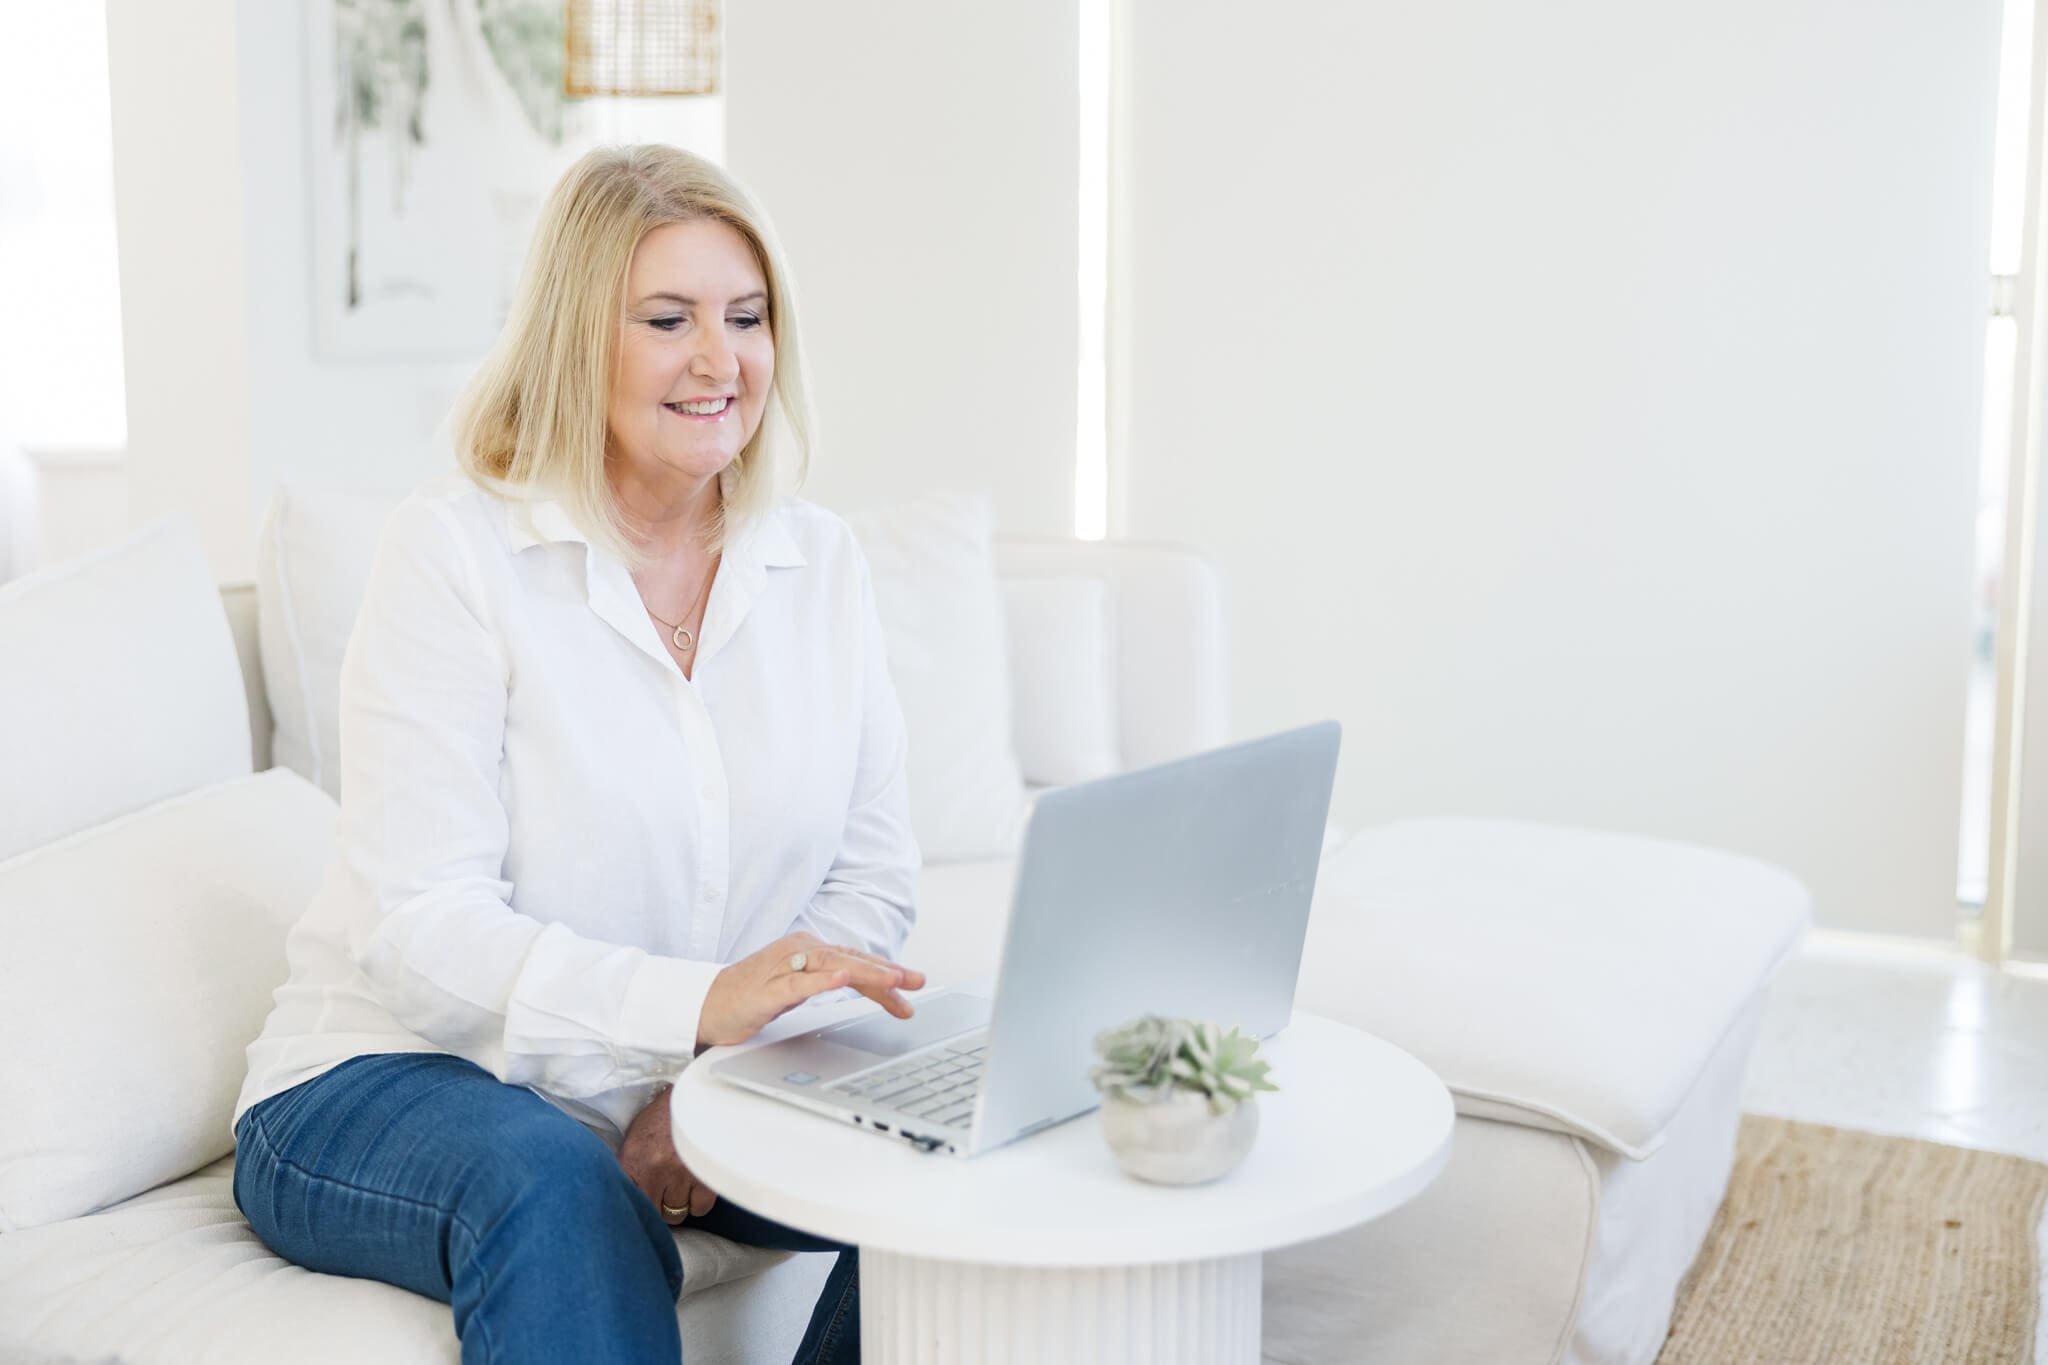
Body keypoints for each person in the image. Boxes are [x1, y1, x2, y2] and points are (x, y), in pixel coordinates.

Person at [229, 143, 924, 1365]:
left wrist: (706, 1081)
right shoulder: (455, 556)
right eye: (669, 319)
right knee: (557, 1181)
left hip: (683, 1072)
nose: (720, 360)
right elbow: (421, 926)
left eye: (746, 318)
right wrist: (686, 1013)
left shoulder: (819, 565)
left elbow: (867, 886)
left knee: (955, 1158)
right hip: (389, 1075)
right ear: (575, 339)